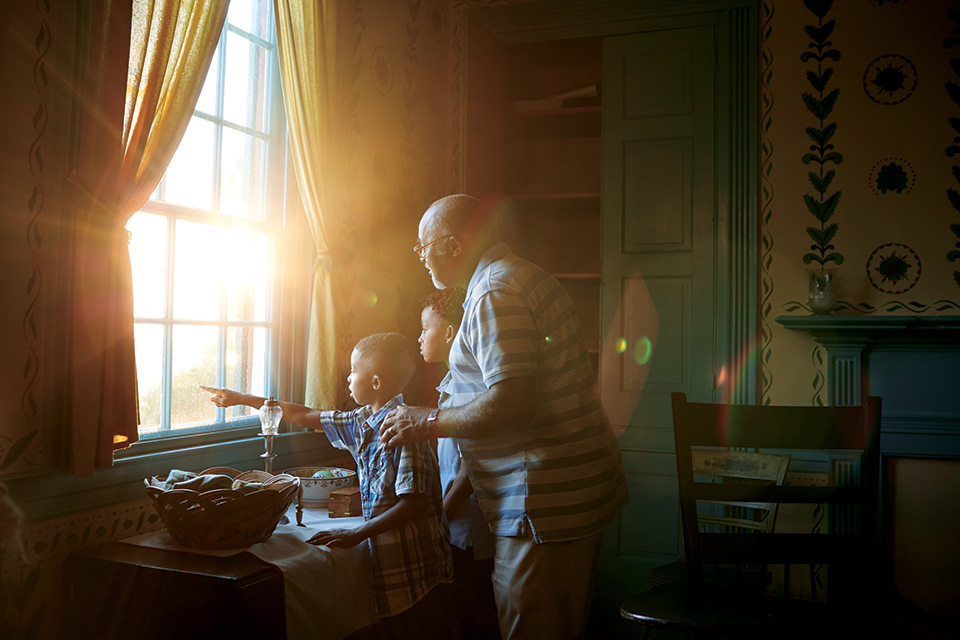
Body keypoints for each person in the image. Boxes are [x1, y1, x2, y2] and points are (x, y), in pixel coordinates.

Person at [380, 194, 629, 640]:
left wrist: (427, 420)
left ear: (453, 245)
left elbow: (513, 400)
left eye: (424, 247)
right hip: (564, 495)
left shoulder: (495, 292)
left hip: (540, 500)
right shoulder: (522, 277)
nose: (421, 258)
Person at [200, 332, 456, 640]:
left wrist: (357, 533)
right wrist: (243, 399)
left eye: (353, 370)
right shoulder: (361, 421)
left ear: (375, 382)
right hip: (388, 566)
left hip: (415, 567)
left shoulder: (404, 430)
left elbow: (414, 503)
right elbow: (305, 415)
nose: (348, 378)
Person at [418, 287, 500, 640]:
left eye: (425, 328)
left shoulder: (468, 382)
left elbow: (472, 466)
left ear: (451, 332)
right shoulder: (454, 379)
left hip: (467, 528)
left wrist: (439, 515)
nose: (419, 336)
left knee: (473, 619)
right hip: (458, 523)